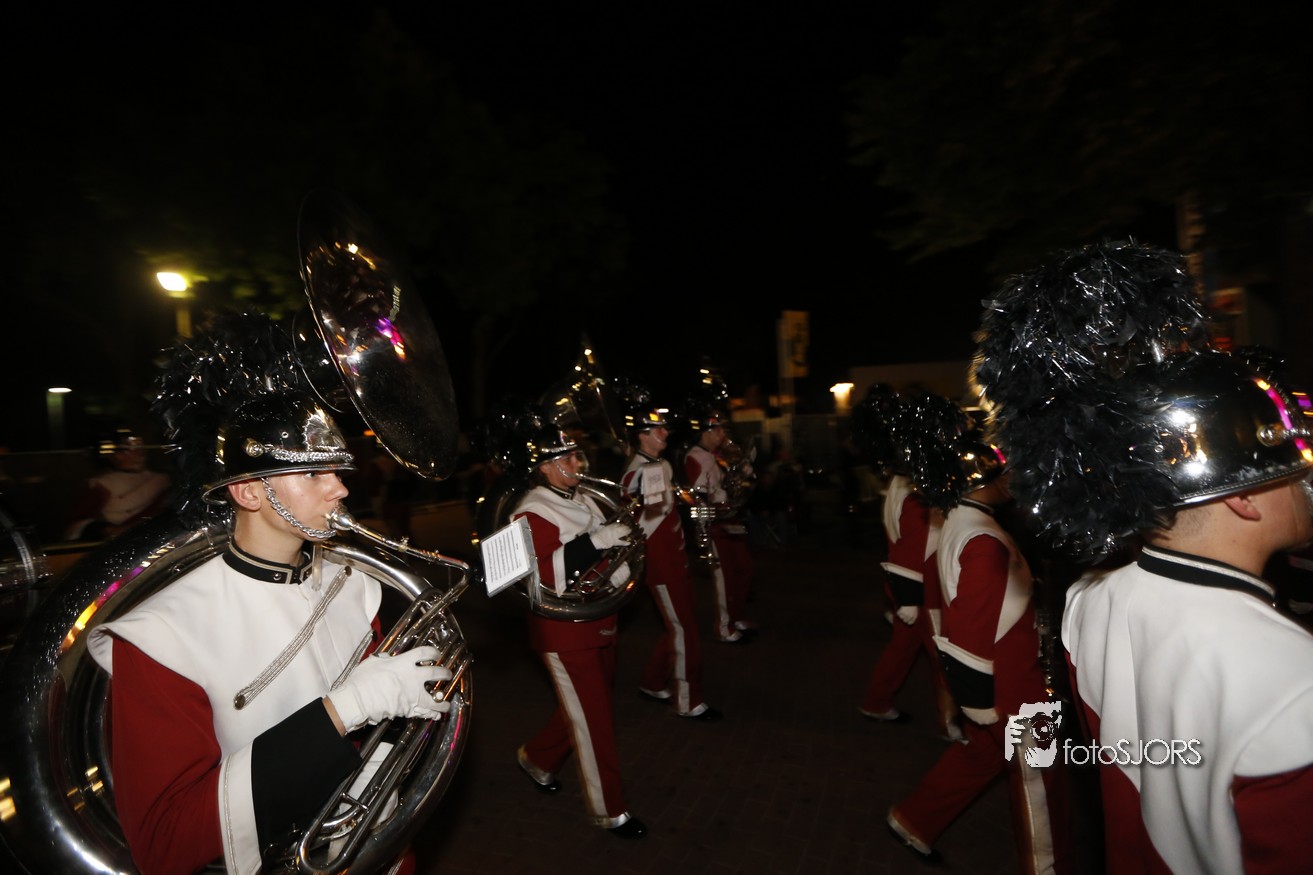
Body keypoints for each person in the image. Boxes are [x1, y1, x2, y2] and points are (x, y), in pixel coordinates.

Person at [972, 241, 1313, 874]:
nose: (1305, 484)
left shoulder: (1092, 599)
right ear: (1242, 496)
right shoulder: (1291, 677)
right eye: (1292, 466)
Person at [87, 391, 452, 875]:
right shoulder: (164, 635)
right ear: (248, 492)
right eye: (313, 474)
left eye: (336, 472)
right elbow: (165, 842)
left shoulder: (355, 586)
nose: (340, 489)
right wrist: (345, 709)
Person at [887, 397, 1070, 872]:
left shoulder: (962, 521)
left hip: (997, 679)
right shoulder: (983, 540)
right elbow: (972, 630)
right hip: (1011, 683)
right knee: (1040, 782)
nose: (1010, 478)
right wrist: (979, 701)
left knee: (982, 756)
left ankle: (915, 819)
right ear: (980, 482)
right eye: (1001, 472)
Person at [508, 410, 648, 839]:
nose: (577, 464)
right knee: (596, 720)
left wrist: (619, 552)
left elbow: (605, 543)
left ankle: (538, 758)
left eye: (576, 456)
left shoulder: (580, 496)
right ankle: (610, 809)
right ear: (545, 467)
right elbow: (545, 576)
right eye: (566, 459)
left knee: (588, 706)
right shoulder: (530, 512)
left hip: (598, 616)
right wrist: (599, 540)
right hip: (565, 632)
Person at [856, 392, 962, 740]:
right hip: (923, 590)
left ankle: (877, 701)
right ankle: (950, 724)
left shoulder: (900, 483)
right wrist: (908, 598)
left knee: (903, 649)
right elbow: (912, 549)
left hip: (913, 588)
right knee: (944, 657)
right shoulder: (915, 491)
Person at [617, 387, 722, 721]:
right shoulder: (639, 471)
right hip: (660, 564)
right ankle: (688, 700)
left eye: (663, 428)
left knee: (681, 625)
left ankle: (652, 682)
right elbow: (642, 521)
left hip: (674, 560)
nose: (665, 433)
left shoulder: (658, 464)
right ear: (641, 436)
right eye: (657, 429)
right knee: (684, 629)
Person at [682, 402, 756, 642]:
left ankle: (736, 616)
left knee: (744, 569)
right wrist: (703, 532)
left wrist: (741, 463)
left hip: (731, 517)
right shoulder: (695, 457)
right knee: (724, 577)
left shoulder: (719, 455)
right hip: (715, 522)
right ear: (705, 432)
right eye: (718, 430)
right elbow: (696, 498)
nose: (723, 434)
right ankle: (724, 626)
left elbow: (743, 478)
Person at [64, 429, 172, 541]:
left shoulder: (162, 479)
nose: (140, 451)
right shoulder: (104, 483)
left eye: (140, 447)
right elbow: (80, 521)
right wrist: (109, 530)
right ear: (118, 455)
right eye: (132, 448)